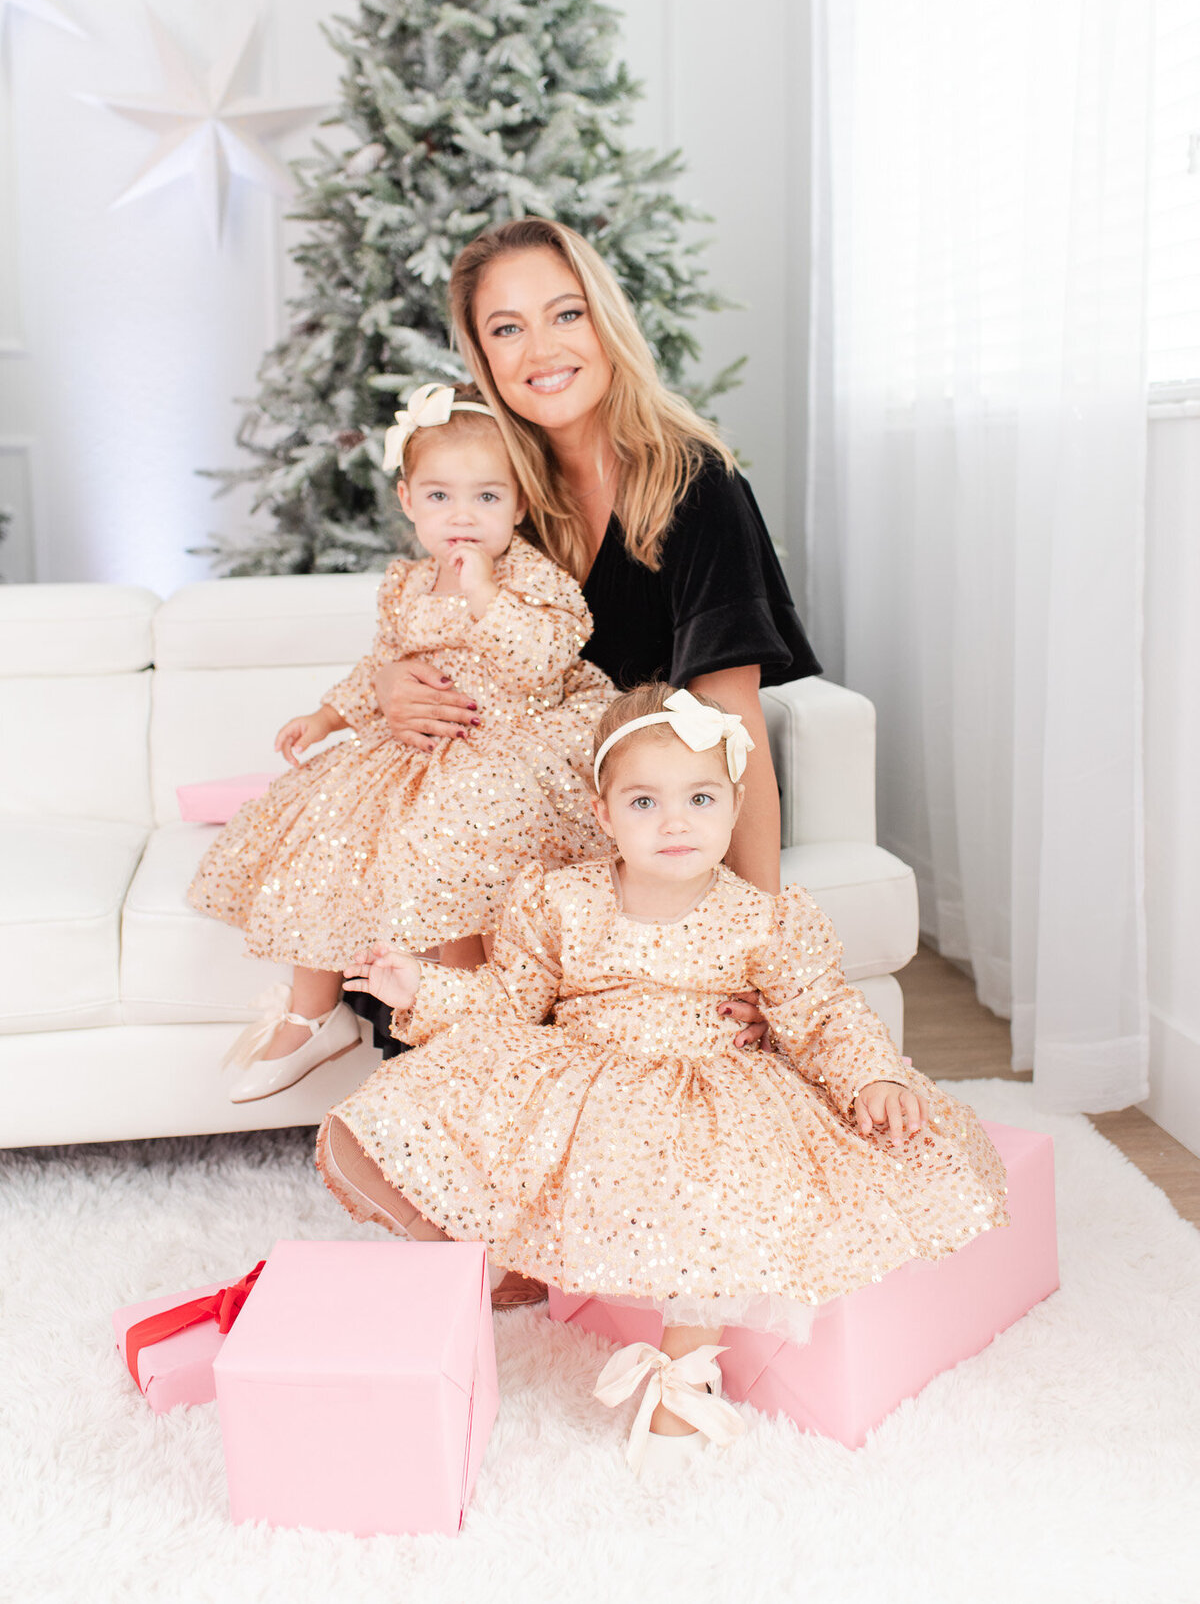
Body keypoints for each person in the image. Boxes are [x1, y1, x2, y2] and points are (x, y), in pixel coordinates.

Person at [317, 684, 1009, 1476]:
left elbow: (824, 1012)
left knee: (716, 1185)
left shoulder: (762, 919)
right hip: (583, 1071)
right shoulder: (561, 900)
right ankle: (490, 1251)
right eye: (644, 801)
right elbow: (507, 1001)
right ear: (603, 814)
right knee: (412, 1102)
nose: (675, 821)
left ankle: (684, 1369)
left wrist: (873, 1078)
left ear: (733, 806)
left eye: (700, 798)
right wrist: (422, 989)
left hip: (707, 1086)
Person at [361, 215, 822, 1056]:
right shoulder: (495, 491)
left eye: (565, 314)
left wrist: (759, 951)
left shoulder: (697, 488)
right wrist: (394, 684)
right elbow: (432, 630)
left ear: (604, 321)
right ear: (484, 357)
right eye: (507, 328)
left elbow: (733, 729)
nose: (541, 348)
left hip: (635, 840)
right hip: (509, 834)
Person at [188, 386, 615, 1105]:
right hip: (415, 747)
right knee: (328, 824)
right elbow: (380, 664)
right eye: (442, 497)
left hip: (511, 744)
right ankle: (312, 1012)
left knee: (460, 832)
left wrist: (486, 595)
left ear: (518, 506)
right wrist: (328, 717)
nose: (463, 517)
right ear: (408, 500)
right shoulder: (406, 585)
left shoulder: (532, 577)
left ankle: (459, 1022)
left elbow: (545, 658)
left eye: (486, 497)